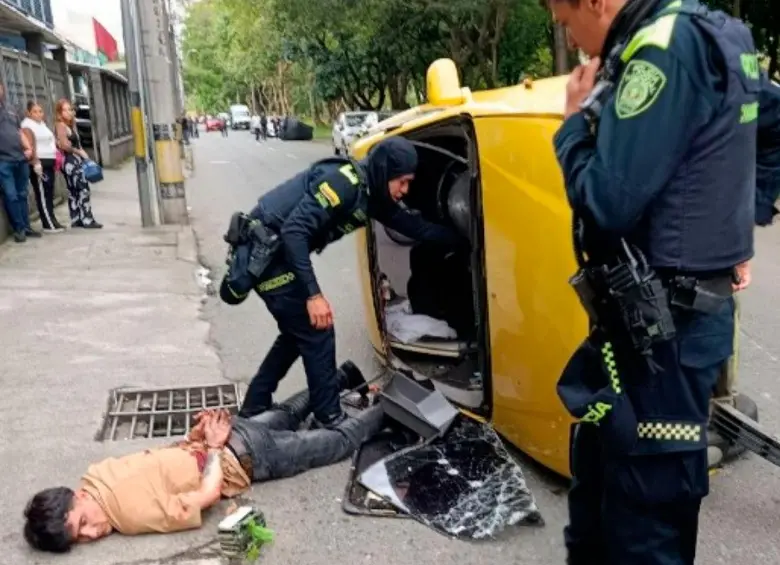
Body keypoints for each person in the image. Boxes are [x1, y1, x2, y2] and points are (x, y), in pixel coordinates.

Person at [547, 0, 768, 563]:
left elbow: (606, 201)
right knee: (597, 489)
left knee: (643, 523)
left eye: (562, 14)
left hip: (663, 340)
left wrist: (571, 127)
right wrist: (736, 226)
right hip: (647, 329)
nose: (561, 28)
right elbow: (769, 128)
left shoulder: (662, 49)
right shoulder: (715, 35)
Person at [220, 137, 463, 427]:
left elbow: (415, 227)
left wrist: (466, 239)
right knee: (317, 329)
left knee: (296, 333)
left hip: (279, 255)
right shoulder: (344, 183)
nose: (404, 190)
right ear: (385, 171)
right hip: (268, 257)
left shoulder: (375, 194)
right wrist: (313, 295)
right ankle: (330, 417)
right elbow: (294, 233)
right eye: (402, 182)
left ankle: (255, 405)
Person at [22, 382, 385, 553]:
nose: (91, 534)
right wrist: (197, 438)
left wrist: (210, 446)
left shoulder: (128, 517)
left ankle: (395, 402)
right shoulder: (96, 473)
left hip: (242, 454)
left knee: (339, 442)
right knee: (290, 412)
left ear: (79, 496)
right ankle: (348, 376)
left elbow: (208, 494)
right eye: (79, 538)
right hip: (230, 433)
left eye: (82, 522)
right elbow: (162, 461)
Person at [54, 99, 102, 229]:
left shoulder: (70, 125)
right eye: (67, 109)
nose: (70, 112)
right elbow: (64, 145)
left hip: (73, 160)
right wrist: (79, 152)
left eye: (71, 109)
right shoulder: (61, 126)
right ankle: (86, 219)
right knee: (83, 188)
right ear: (60, 112)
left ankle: (76, 218)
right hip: (70, 161)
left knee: (74, 190)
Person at [0, 85, 39, 243]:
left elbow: (19, 132)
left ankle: (27, 226)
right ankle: (19, 229)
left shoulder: (10, 109)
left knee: (23, 193)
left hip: (20, 158)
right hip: (3, 161)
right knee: (11, 195)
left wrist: (28, 148)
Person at [21, 101, 63, 233]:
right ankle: (48, 224)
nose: (39, 114)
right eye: (35, 111)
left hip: (49, 162)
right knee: (43, 193)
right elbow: (29, 146)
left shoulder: (42, 125)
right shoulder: (27, 126)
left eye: (41, 111)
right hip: (39, 163)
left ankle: (52, 219)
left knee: (49, 192)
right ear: (28, 113)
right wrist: (35, 163)